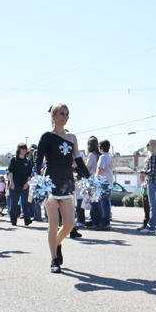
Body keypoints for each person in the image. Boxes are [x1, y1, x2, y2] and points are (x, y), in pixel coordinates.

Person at [35, 103, 90, 273]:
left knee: (69, 224)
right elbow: (38, 160)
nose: (65, 117)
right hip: (50, 184)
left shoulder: (72, 137)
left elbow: (78, 160)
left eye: (67, 114)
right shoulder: (46, 137)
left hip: (66, 183)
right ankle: (54, 260)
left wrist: (90, 178)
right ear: (53, 115)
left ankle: (57, 243)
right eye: (61, 114)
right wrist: (38, 179)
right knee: (53, 224)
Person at [139, 139, 156, 234]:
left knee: (153, 205)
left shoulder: (152, 157)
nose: (147, 146)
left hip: (152, 182)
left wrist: (142, 172)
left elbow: (151, 171)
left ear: (152, 146)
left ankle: (151, 226)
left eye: (148, 144)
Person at [7, 143, 33, 227]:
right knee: (14, 203)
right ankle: (13, 219)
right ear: (19, 150)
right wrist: (11, 182)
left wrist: (27, 183)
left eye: (25, 149)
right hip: (14, 183)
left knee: (25, 202)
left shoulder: (28, 161)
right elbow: (10, 171)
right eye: (22, 149)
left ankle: (27, 219)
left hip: (24, 184)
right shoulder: (14, 160)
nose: (24, 150)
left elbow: (29, 174)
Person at [95, 139, 114, 231]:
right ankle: (106, 221)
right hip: (109, 182)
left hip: (103, 183)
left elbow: (100, 170)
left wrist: (96, 180)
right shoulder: (109, 157)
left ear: (101, 147)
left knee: (103, 203)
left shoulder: (102, 157)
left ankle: (105, 223)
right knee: (106, 202)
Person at [85, 137, 101, 228]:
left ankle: (95, 222)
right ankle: (95, 220)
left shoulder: (91, 155)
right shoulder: (99, 155)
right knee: (97, 202)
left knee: (93, 203)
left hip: (91, 180)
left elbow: (87, 168)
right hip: (98, 180)